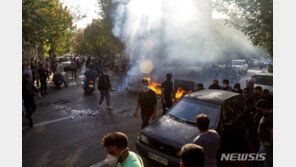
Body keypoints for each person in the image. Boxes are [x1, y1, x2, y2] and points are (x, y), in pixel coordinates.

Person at [255, 99, 273, 167]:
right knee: (260, 159)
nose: (258, 112)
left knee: (267, 163)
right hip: (263, 142)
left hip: (267, 146)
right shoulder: (266, 115)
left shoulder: (271, 118)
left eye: (259, 110)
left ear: (266, 109)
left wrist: (270, 144)